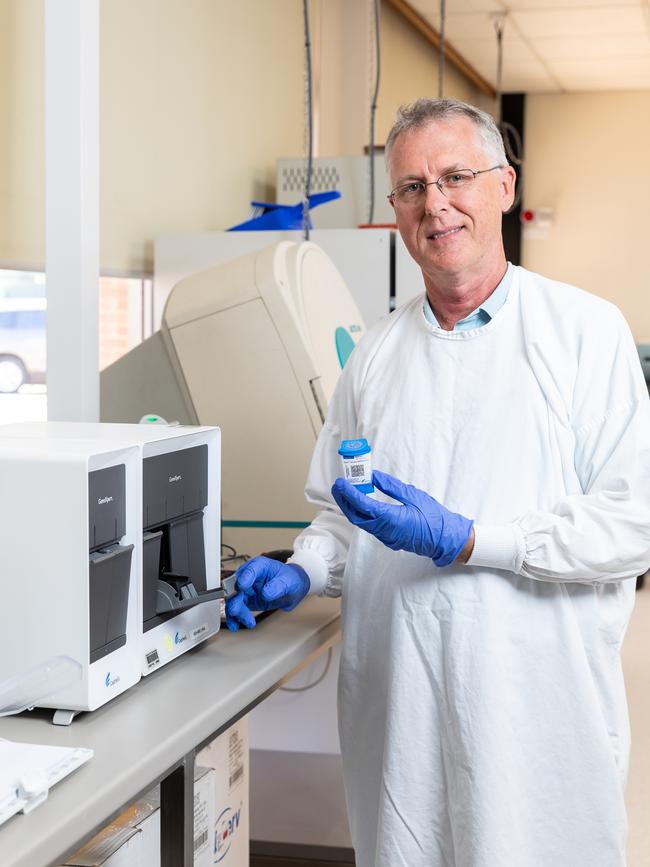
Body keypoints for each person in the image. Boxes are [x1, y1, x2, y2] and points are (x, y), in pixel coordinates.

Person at [226, 98, 650, 867]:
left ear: (504, 186)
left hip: (539, 715)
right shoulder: (376, 355)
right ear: (396, 211)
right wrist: (303, 568)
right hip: (403, 716)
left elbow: (633, 523)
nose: (437, 203)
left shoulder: (585, 333)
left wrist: (475, 541)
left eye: (457, 177)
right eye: (413, 188)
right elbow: (338, 512)